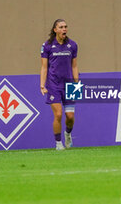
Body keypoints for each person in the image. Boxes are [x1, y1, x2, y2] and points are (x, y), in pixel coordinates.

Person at [40, 19, 79, 150]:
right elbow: (44, 67)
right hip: (53, 85)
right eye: (61, 27)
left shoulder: (72, 45)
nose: (64, 29)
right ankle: (58, 143)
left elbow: (74, 65)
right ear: (55, 30)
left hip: (70, 85)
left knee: (70, 116)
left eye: (65, 27)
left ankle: (67, 134)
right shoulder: (47, 46)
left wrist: (77, 81)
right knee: (58, 114)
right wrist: (42, 85)